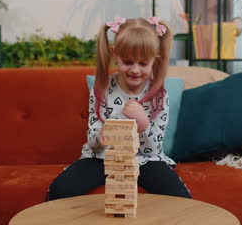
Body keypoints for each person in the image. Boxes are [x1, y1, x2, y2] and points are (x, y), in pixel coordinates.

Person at [48, 17, 191, 200]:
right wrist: (102, 135)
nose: (135, 70)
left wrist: (143, 124)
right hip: (102, 157)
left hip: (144, 160)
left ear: (154, 60)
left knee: (180, 197)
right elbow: (92, 139)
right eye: (128, 62)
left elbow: (154, 149)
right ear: (115, 55)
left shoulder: (159, 96)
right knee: (60, 190)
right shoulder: (102, 89)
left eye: (143, 63)